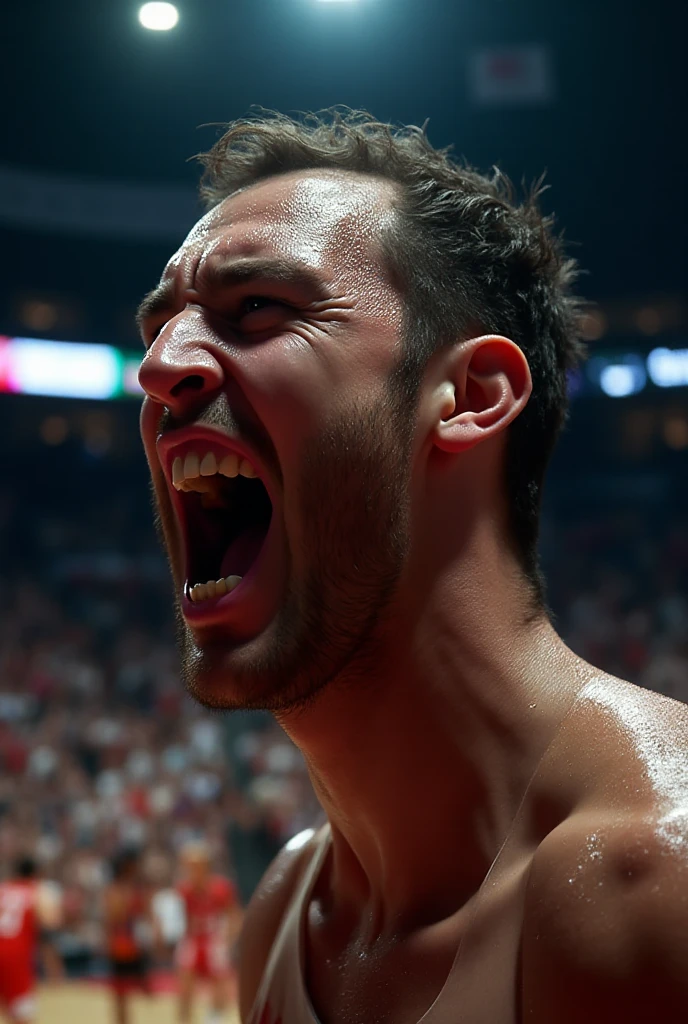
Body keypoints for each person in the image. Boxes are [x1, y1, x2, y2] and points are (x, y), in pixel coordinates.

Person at [136, 109, 688, 1023]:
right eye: (163, 326)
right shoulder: (285, 915)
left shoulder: (651, 882)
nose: (161, 367)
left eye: (258, 308)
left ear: (470, 396)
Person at [175, 841, 243, 1024]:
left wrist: (229, 939)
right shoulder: (184, 890)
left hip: (214, 940)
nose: (191, 871)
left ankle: (214, 1020)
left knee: (220, 984)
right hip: (192, 940)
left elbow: (234, 914)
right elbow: (178, 918)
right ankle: (185, 1019)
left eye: (194, 866)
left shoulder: (221, 888)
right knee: (185, 985)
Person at [0, 856, 62, 1024]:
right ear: (36, 874)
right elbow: (48, 931)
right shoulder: (37, 892)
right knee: (22, 1017)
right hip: (15, 959)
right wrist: (54, 966)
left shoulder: (3, 889)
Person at [103, 849, 157, 1024]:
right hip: (121, 946)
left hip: (135, 945)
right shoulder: (117, 889)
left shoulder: (135, 889)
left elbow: (147, 914)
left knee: (145, 990)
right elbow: (114, 917)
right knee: (121, 995)